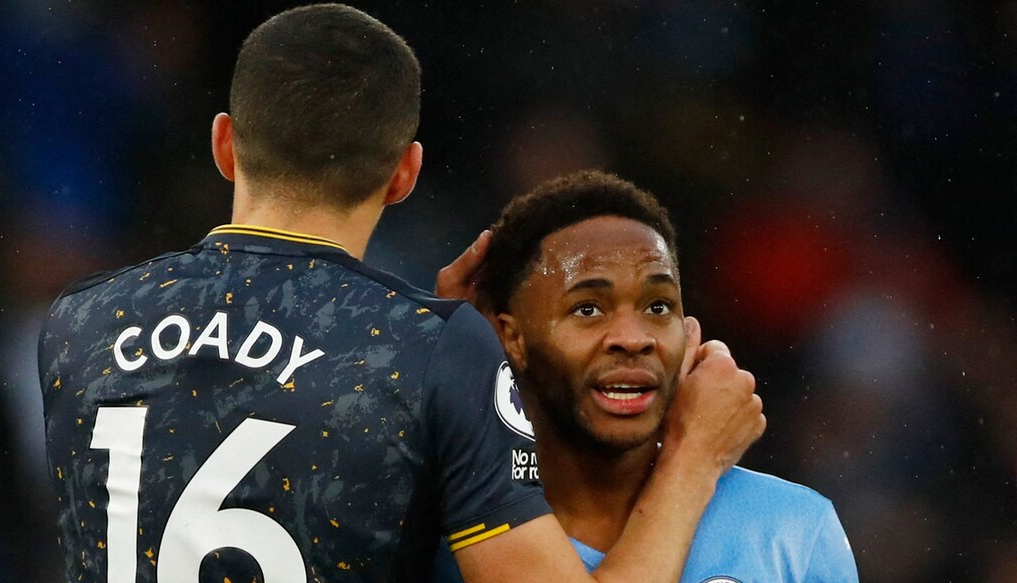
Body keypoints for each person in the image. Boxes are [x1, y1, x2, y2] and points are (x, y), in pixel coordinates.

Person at [39, 5, 763, 581]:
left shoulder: (78, 322)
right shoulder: (431, 352)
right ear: (404, 174)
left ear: (225, 143)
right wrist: (692, 455)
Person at [434, 170, 859, 582]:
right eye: (588, 309)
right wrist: (694, 453)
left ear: (689, 332)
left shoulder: (794, 528)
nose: (633, 339)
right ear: (511, 337)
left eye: (657, 306)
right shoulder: (439, 533)